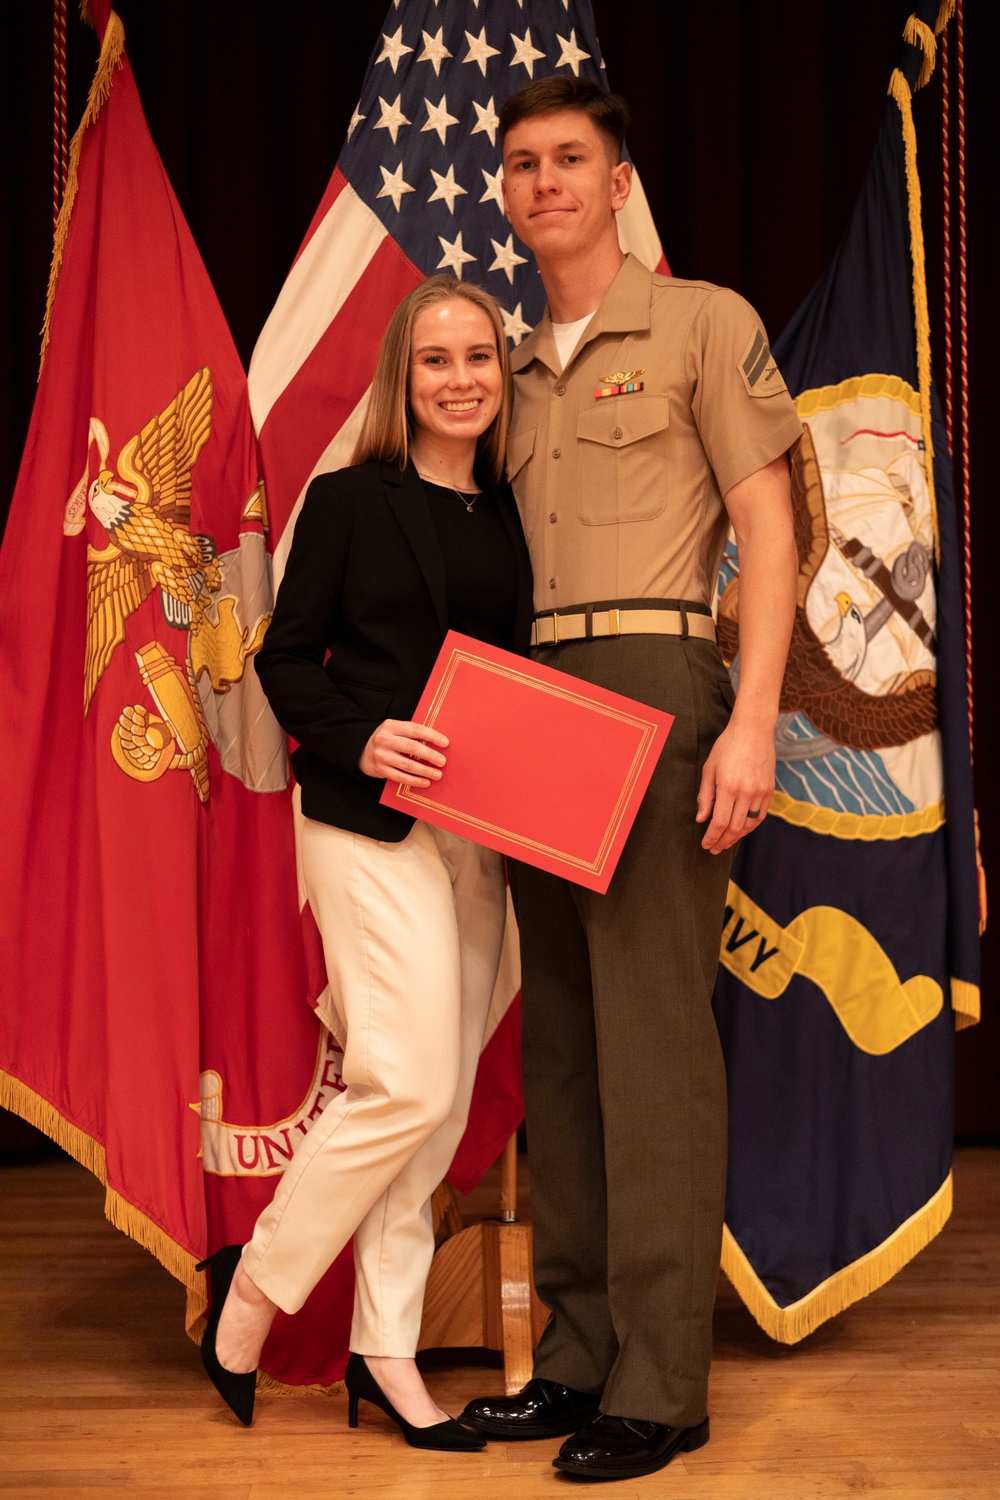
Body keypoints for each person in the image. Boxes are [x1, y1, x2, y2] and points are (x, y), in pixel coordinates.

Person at [462, 77, 801, 1482]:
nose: (545, 182)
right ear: (505, 191)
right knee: (566, 1055)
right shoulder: (499, 363)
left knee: (656, 1048)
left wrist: (755, 718)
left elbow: (769, 534)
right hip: (527, 701)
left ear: (617, 181)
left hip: (659, 690)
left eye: (570, 160)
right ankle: (582, 1357)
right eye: (524, 164)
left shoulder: (703, 321)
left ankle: (662, 1385)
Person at [195, 277, 533, 1449]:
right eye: (435, 359)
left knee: (426, 1125)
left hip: (484, 837)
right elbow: (287, 661)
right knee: (410, 1080)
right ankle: (253, 1287)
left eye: (479, 357)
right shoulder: (349, 501)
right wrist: (362, 734)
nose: (459, 378)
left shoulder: (515, 511)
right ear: (404, 374)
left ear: (504, 369)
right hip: (365, 817)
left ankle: (384, 1349)